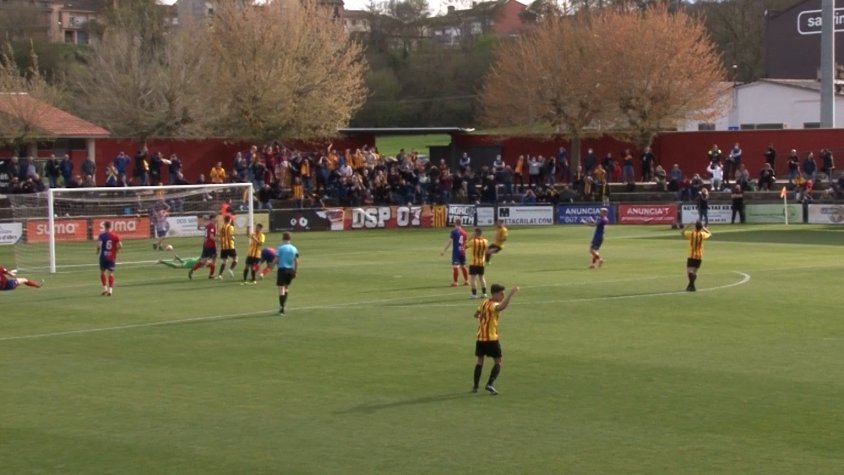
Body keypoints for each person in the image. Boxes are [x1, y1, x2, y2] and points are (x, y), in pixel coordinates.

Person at [472, 283, 519, 395]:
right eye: (502, 293)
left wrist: (481, 318)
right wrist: (511, 294)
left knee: (479, 361)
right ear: (495, 294)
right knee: (498, 362)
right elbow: (501, 307)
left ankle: (475, 386)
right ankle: (490, 384)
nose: (503, 295)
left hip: (480, 337)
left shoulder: (484, 302)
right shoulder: (493, 305)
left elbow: (476, 314)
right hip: (491, 338)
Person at [681, 220, 711, 292]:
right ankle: (691, 286)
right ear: (700, 227)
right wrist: (704, 228)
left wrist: (688, 225)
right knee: (695, 272)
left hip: (692, 255)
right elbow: (710, 234)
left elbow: (682, 232)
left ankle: (692, 285)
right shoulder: (702, 234)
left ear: (695, 227)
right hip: (699, 256)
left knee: (689, 271)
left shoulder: (691, 234)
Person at [96, 221, 122, 296]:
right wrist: (116, 251)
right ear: (111, 226)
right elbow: (120, 245)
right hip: (111, 257)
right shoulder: (115, 235)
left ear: (104, 226)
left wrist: (97, 251)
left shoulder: (102, 235)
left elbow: (99, 245)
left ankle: (105, 288)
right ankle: (110, 290)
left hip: (103, 257)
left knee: (102, 272)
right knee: (111, 273)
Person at [276, 232, 299, 315]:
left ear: (283, 238)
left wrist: (270, 266)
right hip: (290, 270)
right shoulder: (294, 248)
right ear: (290, 239)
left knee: (281, 289)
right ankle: (284, 305)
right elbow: (296, 261)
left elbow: (277, 260)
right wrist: (295, 271)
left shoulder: (280, 248)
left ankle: (282, 308)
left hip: (282, 270)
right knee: (286, 288)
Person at [440, 218, 469, 287]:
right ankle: (466, 281)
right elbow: (466, 243)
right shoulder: (464, 232)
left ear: (455, 223)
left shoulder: (454, 232)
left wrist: (444, 250)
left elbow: (450, 242)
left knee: (455, 266)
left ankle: (455, 282)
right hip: (462, 251)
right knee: (463, 266)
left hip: (456, 252)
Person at [189, 214, 218, 279]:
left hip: (206, 245)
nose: (217, 219)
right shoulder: (212, 226)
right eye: (216, 218)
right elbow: (211, 236)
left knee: (204, 260)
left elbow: (199, 228)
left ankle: (193, 270)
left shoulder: (208, 225)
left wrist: (199, 223)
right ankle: (211, 274)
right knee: (212, 260)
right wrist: (219, 241)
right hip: (210, 246)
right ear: (212, 219)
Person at [467, 228, 488, 299]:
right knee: (482, 278)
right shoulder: (485, 241)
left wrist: (470, 237)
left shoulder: (472, 241)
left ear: (475, 233)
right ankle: (484, 293)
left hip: (473, 262)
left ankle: (474, 294)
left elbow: (465, 246)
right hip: (481, 262)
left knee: (472, 278)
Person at [216, 214, 238, 279]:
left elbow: (219, 235)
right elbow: (231, 236)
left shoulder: (222, 227)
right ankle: (231, 269)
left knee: (224, 261)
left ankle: (220, 275)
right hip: (230, 246)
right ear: (230, 220)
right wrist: (233, 238)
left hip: (223, 247)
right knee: (236, 258)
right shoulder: (230, 227)